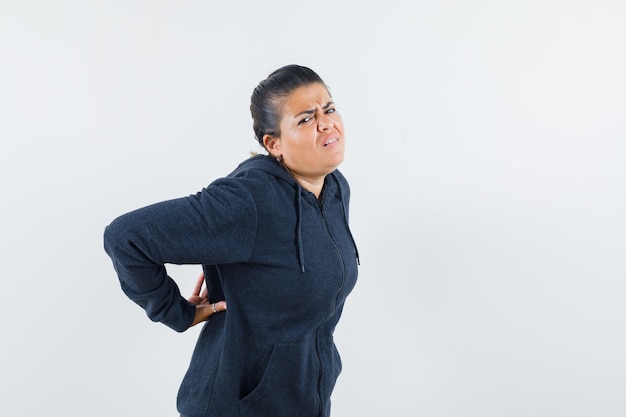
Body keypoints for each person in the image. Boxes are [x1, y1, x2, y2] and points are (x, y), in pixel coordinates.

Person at [103, 64, 360, 417]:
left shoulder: (334, 189)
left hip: (303, 402)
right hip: (235, 406)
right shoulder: (249, 200)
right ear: (274, 144)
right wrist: (176, 312)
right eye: (305, 119)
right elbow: (126, 237)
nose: (327, 123)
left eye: (329, 109)